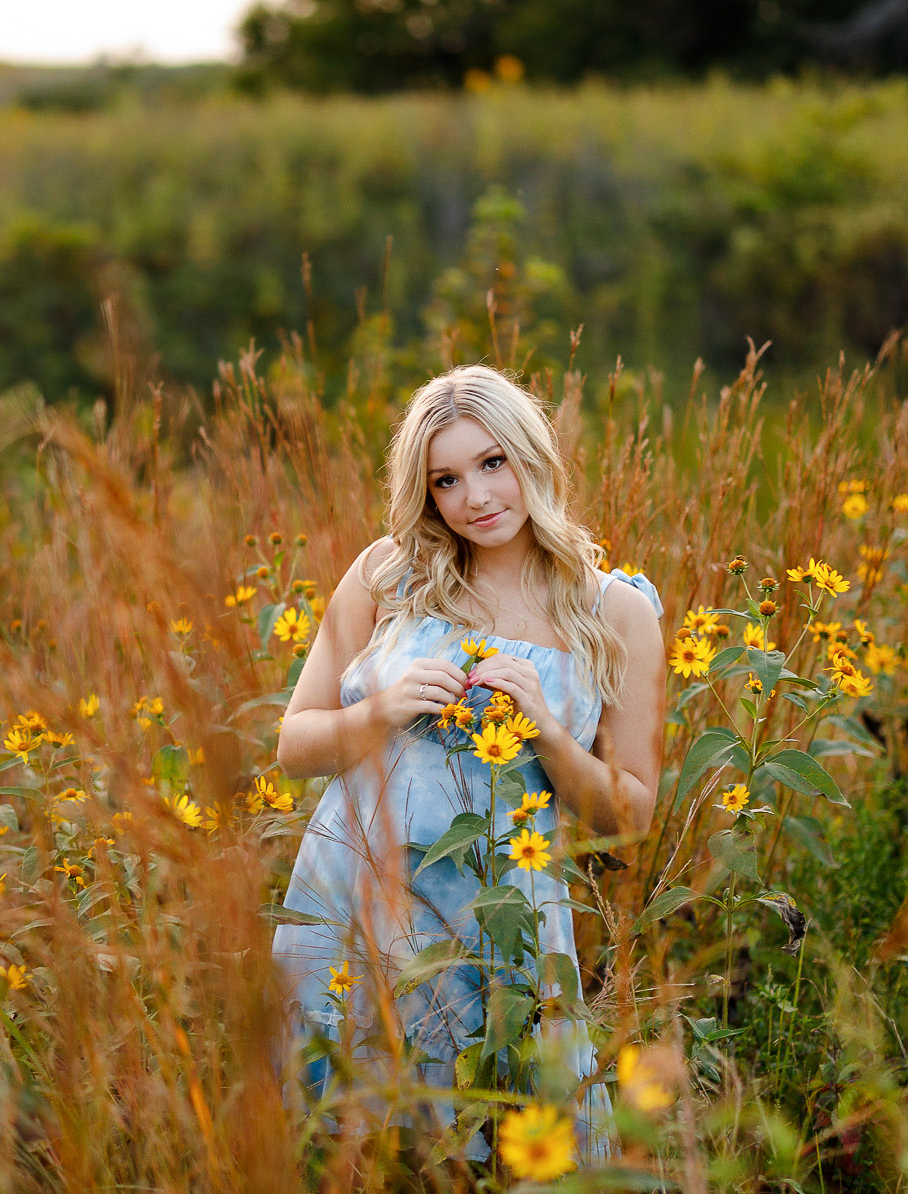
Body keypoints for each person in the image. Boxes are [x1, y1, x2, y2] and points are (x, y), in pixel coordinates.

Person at [270, 364, 664, 1150]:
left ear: (533, 455)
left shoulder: (613, 609)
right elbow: (294, 744)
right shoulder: (389, 574)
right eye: (446, 480)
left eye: (493, 463)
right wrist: (382, 709)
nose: (476, 498)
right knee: (343, 1148)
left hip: (496, 914)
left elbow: (634, 814)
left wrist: (549, 732)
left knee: (501, 1143)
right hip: (353, 893)